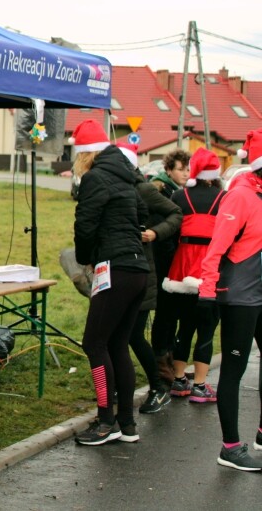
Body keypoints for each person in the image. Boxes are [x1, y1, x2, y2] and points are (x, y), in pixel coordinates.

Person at [70, 120, 149, 446]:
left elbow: (84, 225)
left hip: (113, 270)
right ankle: (127, 423)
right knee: (117, 344)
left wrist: (87, 256)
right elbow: (143, 213)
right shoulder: (126, 177)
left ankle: (105, 420)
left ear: (85, 154)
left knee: (94, 344)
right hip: (137, 270)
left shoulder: (94, 177)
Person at [199, 129, 262, 471]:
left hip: (260, 295)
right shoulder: (240, 197)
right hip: (238, 297)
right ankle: (230, 447)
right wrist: (207, 292)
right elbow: (217, 247)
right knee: (234, 371)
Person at [115, 141, 182, 415]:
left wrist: (155, 233)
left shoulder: (143, 189)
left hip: (144, 272)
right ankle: (124, 384)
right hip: (119, 271)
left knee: (132, 335)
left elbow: (175, 214)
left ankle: (158, 387)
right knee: (119, 335)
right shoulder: (111, 189)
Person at [161, 147, 225, 403]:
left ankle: (178, 380)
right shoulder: (224, 197)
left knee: (184, 326)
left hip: (181, 267)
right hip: (210, 267)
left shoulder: (178, 195)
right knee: (207, 328)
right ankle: (200, 385)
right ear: (214, 174)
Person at [148, 149, 190, 388]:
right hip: (163, 259)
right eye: (180, 169)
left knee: (172, 311)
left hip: (176, 259)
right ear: (168, 171)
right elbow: (160, 227)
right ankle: (160, 358)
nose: (185, 173)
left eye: (187, 169)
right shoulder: (160, 191)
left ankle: (169, 353)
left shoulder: (179, 191)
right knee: (164, 311)